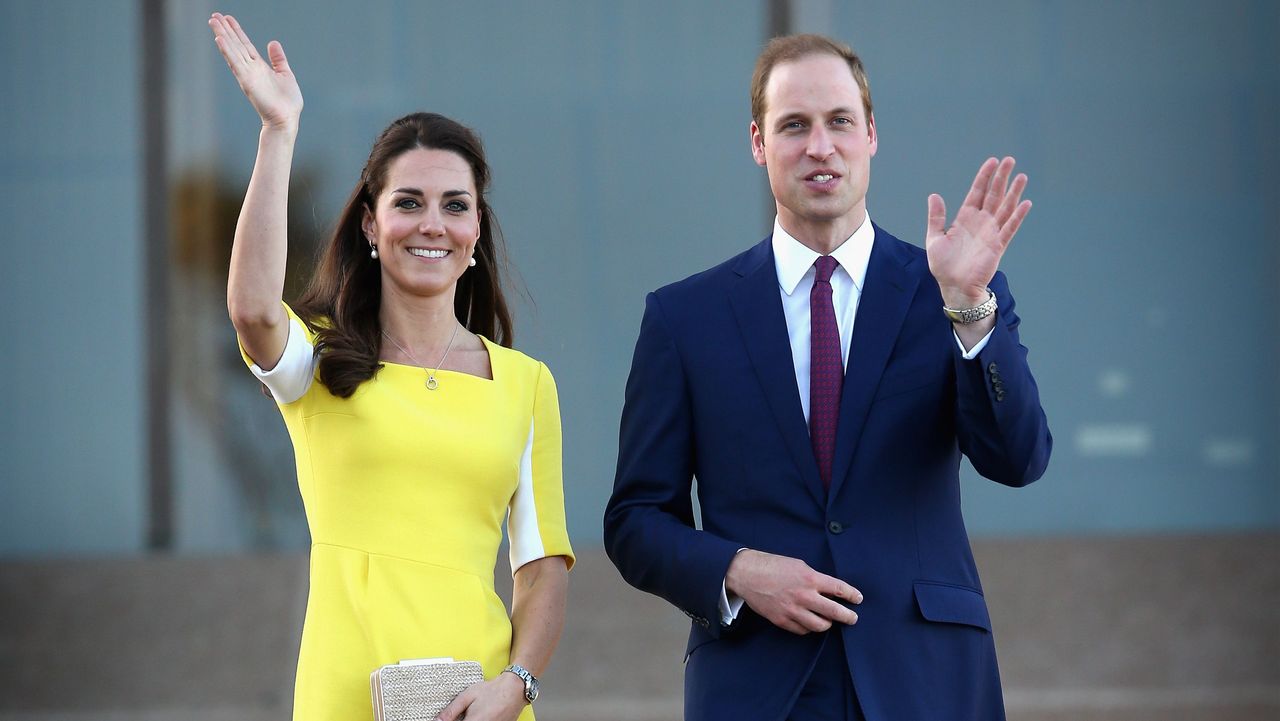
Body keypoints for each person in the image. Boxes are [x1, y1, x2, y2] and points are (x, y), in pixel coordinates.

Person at [603, 34, 1052, 721]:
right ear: (758, 142)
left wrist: (968, 308)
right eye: (794, 125)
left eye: (840, 120)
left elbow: (1019, 458)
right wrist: (737, 570)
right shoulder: (683, 318)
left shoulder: (952, 289)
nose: (820, 145)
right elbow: (635, 521)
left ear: (871, 134)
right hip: (758, 683)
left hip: (925, 677)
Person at [207, 13, 573, 721]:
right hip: (346, 696)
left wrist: (516, 684)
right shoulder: (317, 357)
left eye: (454, 205)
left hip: (485, 705)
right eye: (408, 202)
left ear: (474, 234)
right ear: (372, 226)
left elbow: (542, 569)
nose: (431, 223)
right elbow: (252, 311)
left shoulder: (527, 383)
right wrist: (278, 132)